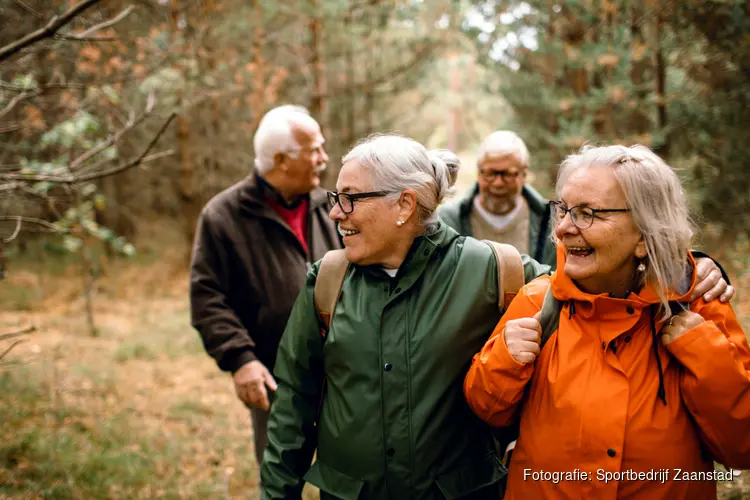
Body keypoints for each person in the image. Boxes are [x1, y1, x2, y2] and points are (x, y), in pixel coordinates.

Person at [260, 136, 732, 500]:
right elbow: (294, 401)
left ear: (404, 204)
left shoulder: (493, 270)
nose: (337, 213)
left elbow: (595, 279)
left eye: (350, 198)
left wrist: (691, 266)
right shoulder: (327, 281)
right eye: (337, 199)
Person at [464, 145, 750, 499]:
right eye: (564, 210)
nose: (565, 228)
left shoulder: (698, 308)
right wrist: (505, 359)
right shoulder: (539, 303)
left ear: (644, 237)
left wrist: (705, 354)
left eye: (588, 214)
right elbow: (487, 410)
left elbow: (741, 448)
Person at [189, 105, 342, 473]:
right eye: (315, 150)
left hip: (345, 371)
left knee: (348, 478)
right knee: (280, 477)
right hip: (276, 378)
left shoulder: (331, 207)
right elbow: (207, 297)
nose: (324, 158)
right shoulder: (223, 216)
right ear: (281, 160)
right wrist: (241, 359)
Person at [438, 130, 556, 267]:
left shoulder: (550, 221)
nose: (498, 183)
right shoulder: (450, 220)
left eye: (508, 174)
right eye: (490, 173)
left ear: (524, 175)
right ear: (478, 172)